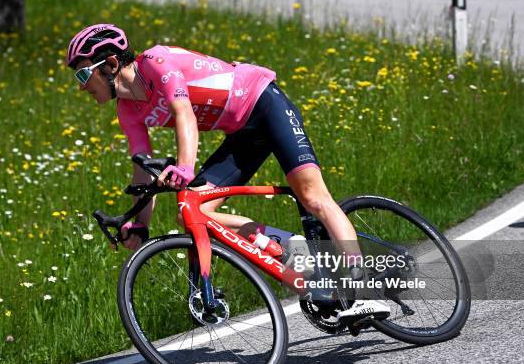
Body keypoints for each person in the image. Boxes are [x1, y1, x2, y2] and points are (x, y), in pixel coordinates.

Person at [66, 24, 389, 323]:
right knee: (195, 212)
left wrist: (185, 167)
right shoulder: (128, 111)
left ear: (109, 64)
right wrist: (139, 224)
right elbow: (142, 169)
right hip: (241, 131)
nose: (82, 89)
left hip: (265, 105)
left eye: (82, 76)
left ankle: (363, 288)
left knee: (312, 196)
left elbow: (183, 114)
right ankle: (292, 247)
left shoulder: (156, 62)